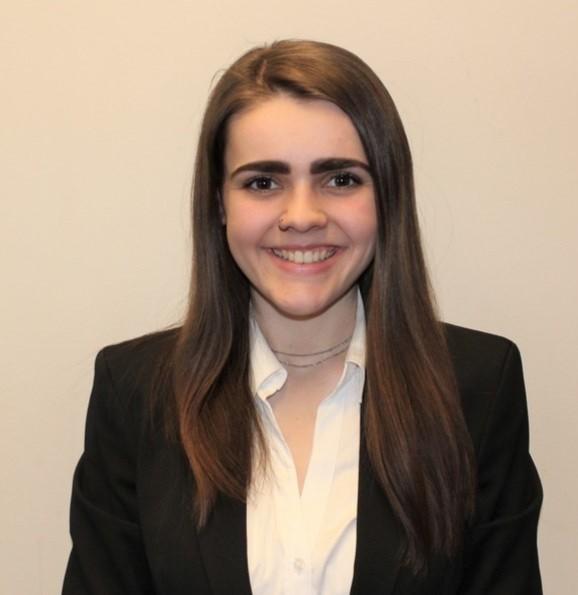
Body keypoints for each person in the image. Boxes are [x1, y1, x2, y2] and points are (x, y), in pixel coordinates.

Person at [62, 39, 543, 594]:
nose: (302, 216)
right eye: (263, 182)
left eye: (340, 179)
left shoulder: (479, 385)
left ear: (385, 195)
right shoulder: (135, 392)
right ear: (220, 203)